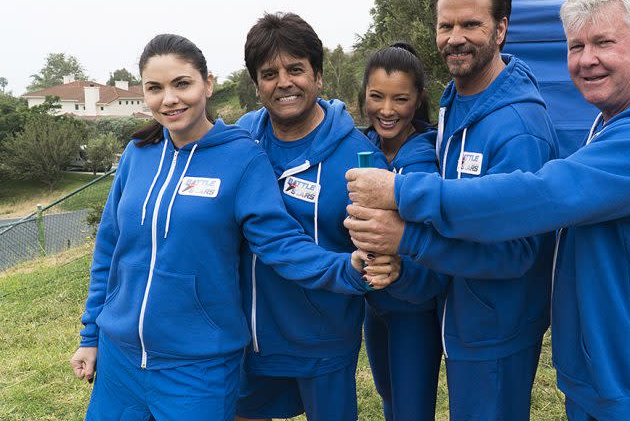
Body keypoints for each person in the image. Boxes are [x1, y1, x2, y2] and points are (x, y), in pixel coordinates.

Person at [346, 0, 630, 421]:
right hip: (605, 378)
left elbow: (543, 195)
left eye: (603, 43)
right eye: (575, 46)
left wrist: (401, 194)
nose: (587, 60)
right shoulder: (616, 120)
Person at [69, 34, 398, 421]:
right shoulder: (138, 154)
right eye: (154, 88)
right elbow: (109, 249)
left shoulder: (242, 156)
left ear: (207, 83)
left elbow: (279, 242)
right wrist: (92, 335)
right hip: (119, 359)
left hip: (198, 364)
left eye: (181, 84)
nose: (169, 99)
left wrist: (348, 269)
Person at [349, 0, 560, 421]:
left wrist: (406, 238)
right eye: (446, 25)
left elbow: (518, 252)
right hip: (458, 314)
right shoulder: (456, 101)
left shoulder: (520, 129)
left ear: (501, 29)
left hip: (496, 328)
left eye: (471, 24)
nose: (455, 37)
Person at [233, 13, 388, 421]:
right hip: (251, 338)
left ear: (318, 76)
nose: (284, 82)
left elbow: (378, 246)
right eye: (270, 73)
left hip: (323, 341)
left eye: (296, 69)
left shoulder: (358, 156)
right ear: (256, 85)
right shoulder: (242, 141)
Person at [358, 42, 448, 421]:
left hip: (415, 307)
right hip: (373, 305)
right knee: (389, 397)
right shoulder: (359, 147)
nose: (387, 110)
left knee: (412, 409)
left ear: (418, 99)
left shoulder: (431, 154)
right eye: (377, 97)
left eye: (400, 99)